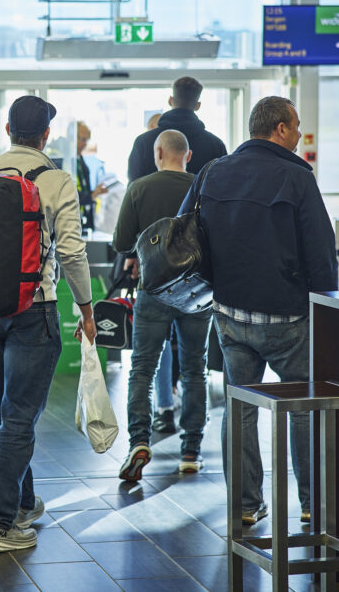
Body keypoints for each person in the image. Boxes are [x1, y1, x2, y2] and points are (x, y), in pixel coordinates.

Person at [0, 95, 97, 552]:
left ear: (8, 130)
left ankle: (23, 501)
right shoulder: (57, 179)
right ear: (46, 136)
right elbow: (71, 251)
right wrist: (86, 309)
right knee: (20, 417)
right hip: (36, 309)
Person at [179, 96, 337, 525]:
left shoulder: (212, 172)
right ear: (280, 129)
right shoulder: (297, 178)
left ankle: (246, 505)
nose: (301, 134)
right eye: (297, 126)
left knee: (240, 406)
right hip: (288, 317)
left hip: (231, 315)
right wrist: (328, 308)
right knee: (303, 406)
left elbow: (187, 239)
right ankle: (312, 503)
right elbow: (321, 253)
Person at [113, 130, 212, 481]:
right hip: (196, 294)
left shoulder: (139, 188)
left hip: (153, 290)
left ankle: (139, 441)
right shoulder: (202, 187)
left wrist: (146, 246)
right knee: (194, 369)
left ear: (158, 152)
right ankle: (191, 450)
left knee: (142, 369)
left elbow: (121, 241)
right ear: (188, 155)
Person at [128, 77, 227, 181]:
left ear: (170, 100)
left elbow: (133, 189)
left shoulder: (143, 142)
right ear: (198, 106)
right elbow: (222, 187)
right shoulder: (216, 145)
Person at [75, 121, 108, 231]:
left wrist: (94, 194)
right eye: (83, 139)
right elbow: (68, 193)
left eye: (87, 140)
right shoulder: (66, 161)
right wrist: (91, 196)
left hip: (83, 221)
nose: (85, 144)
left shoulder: (80, 160)